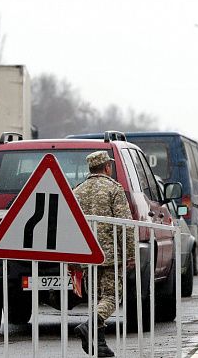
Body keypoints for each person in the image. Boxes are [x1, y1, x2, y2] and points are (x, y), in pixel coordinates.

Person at [73, 150, 135, 357]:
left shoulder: (77, 191)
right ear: (107, 167)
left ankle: (99, 345)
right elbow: (124, 225)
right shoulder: (114, 189)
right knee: (111, 297)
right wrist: (130, 253)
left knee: (95, 299)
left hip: (86, 254)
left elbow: (70, 226)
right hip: (110, 256)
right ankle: (89, 327)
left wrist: (72, 258)